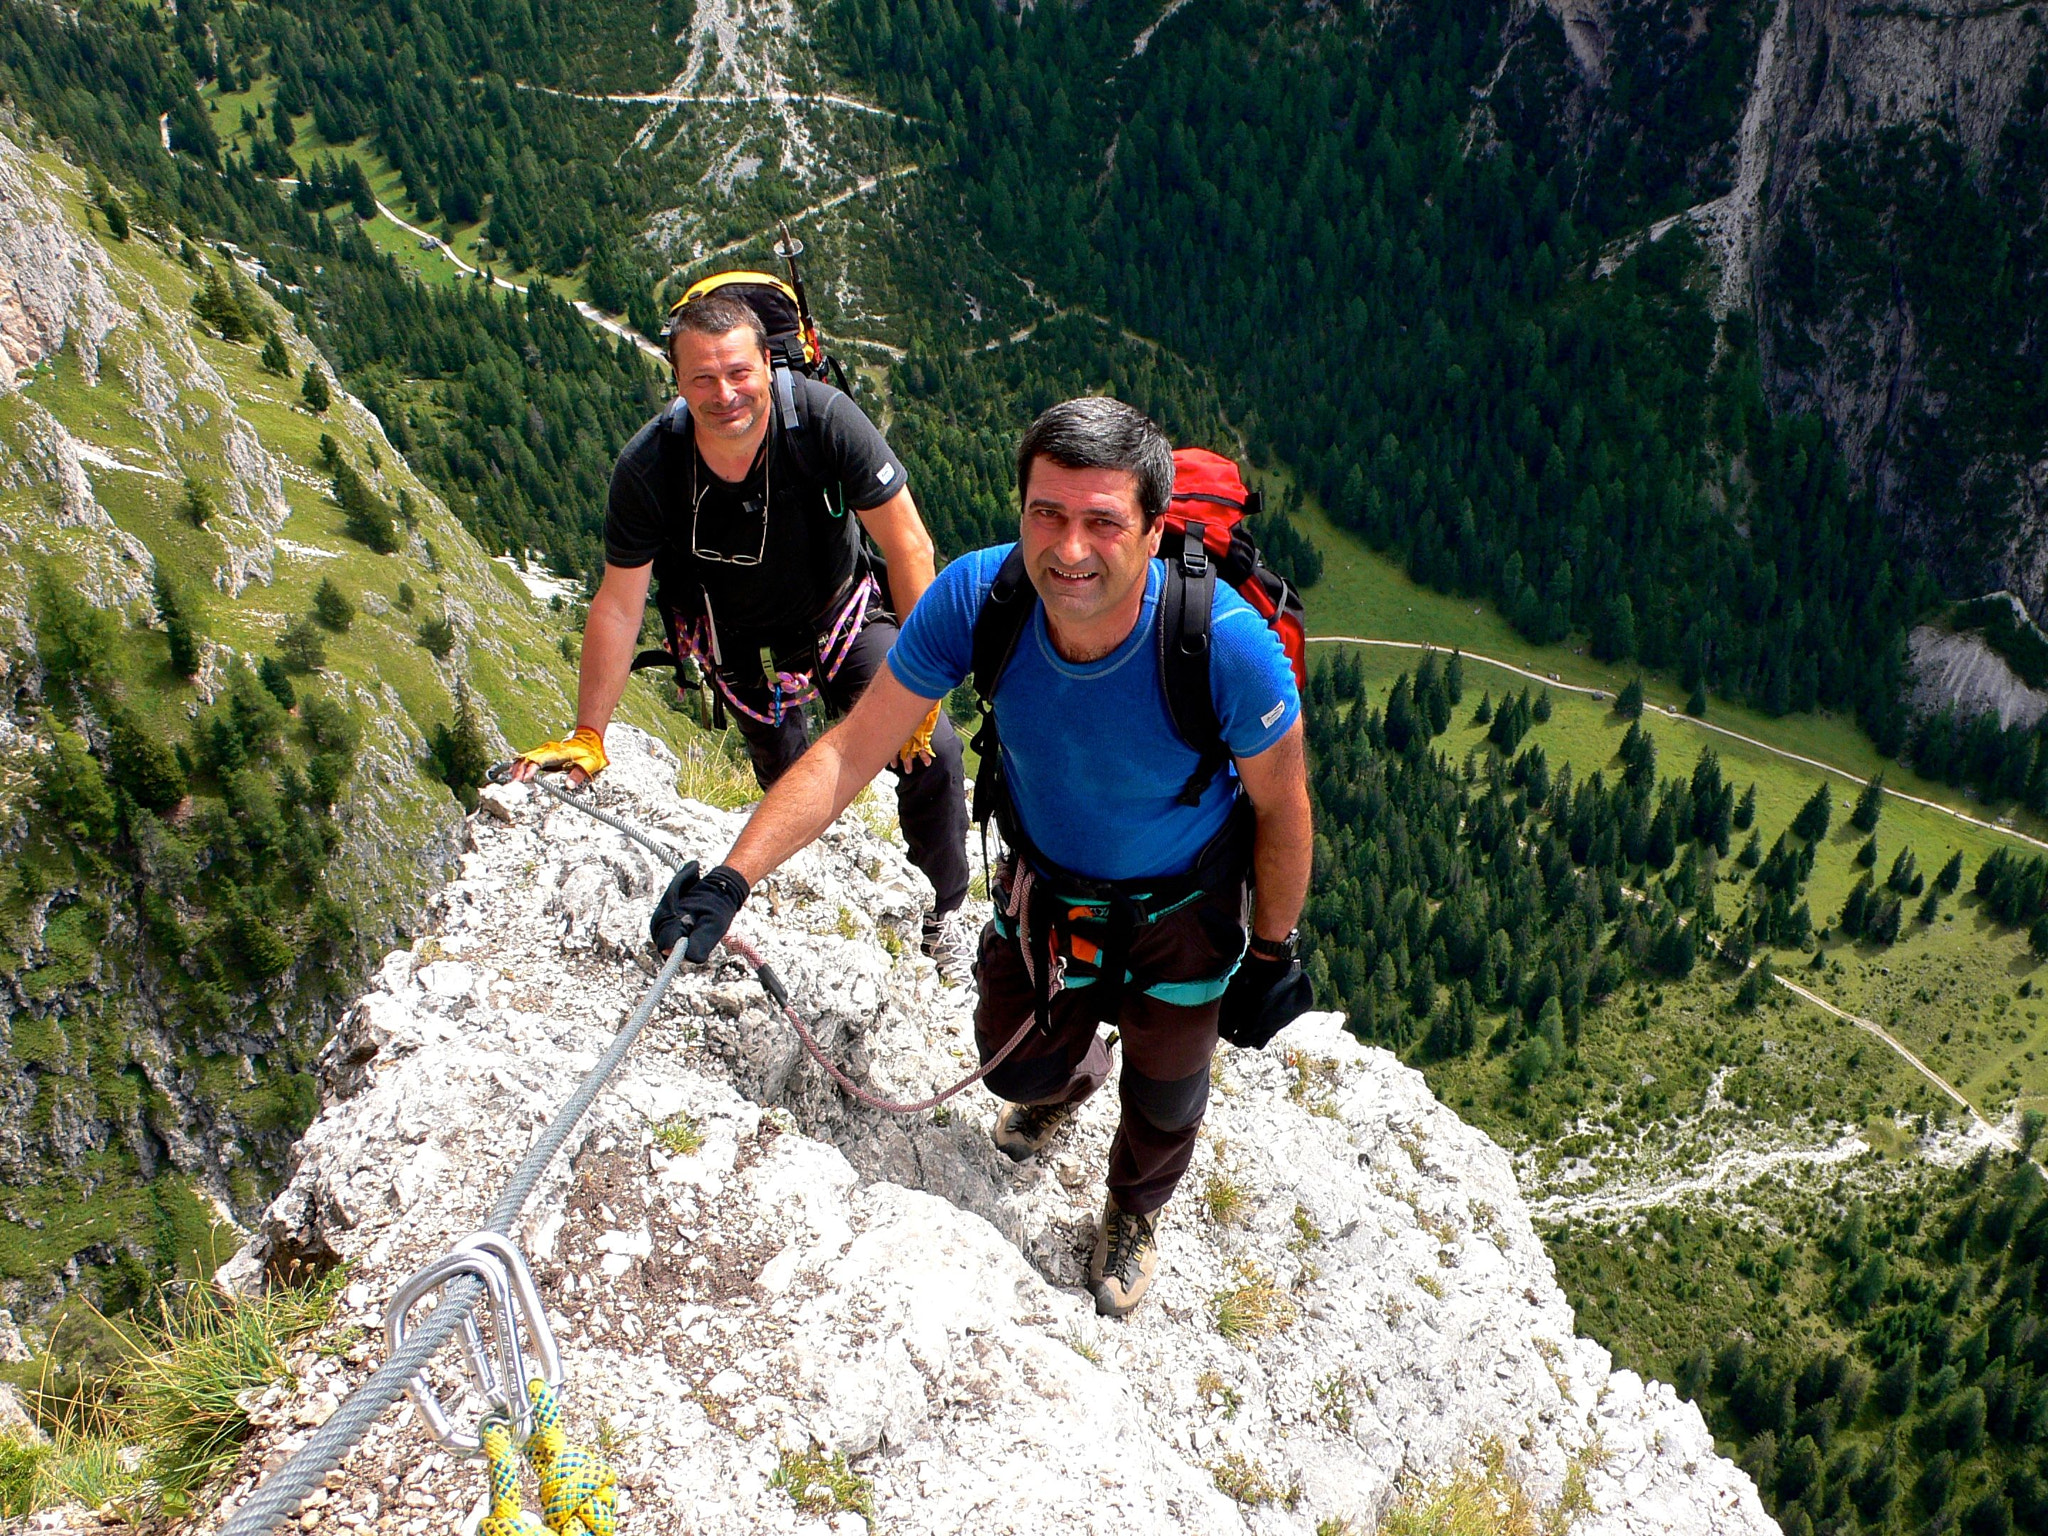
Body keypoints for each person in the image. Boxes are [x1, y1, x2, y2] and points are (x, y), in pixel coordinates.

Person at [647, 397, 1314, 1318]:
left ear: (1156, 530)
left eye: (1102, 522)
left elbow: (1283, 808)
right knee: (1017, 1068)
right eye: (1047, 513)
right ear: (1021, 509)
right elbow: (852, 747)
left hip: (1184, 911)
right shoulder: (981, 599)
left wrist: (1271, 950)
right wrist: (732, 877)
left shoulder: (1228, 648)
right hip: (1050, 890)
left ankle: (1132, 1211)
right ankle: (1071, 1080)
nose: (1069, 549)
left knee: (1168, 1098)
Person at [513, 290, 976, 978]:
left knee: (931, 749)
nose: (724, 393)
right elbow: (618, 604)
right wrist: (590, 733)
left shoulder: (823, 422)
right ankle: (829, 897)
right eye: (702, 377)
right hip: (735, 650)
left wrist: (924, 684)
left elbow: (909, 546)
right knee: (786, 786)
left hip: (840, 615)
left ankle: (941, 913)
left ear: (768, 363)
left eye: (738, 372)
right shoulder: (650, 467)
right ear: (677, 381)